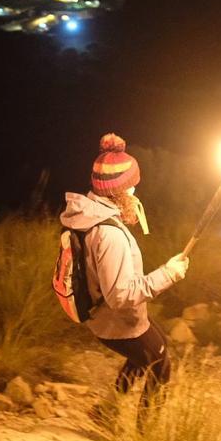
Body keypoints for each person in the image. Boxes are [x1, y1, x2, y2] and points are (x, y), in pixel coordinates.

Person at [59, 134, 189, 418]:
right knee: (160, 364)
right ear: (118, 190)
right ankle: (147, 436)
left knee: (147, 352)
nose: (135, 192)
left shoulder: (89, 215)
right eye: (132, 186)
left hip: (106, 316)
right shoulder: (108, 234)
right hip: (115, 320)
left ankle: (105, 412)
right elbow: (120, 295)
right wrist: (169, 274)